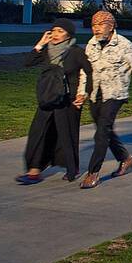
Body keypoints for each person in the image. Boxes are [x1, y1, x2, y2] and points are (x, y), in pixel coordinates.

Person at [81, 11, 132, 189]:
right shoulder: (91, 44)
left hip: (115, 93)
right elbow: (85, 70)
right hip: (96, 93)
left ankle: (93, 173)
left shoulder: (125, 45)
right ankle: (126, 159)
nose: (96, 29)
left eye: (101, 25)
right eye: (93, 25)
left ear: (111, 26)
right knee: (104, 130)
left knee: (102, 132)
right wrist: (81, 91)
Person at [17, 18, 90, 185]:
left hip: (67, 100)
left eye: (60, 31)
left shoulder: (76, 52)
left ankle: (72, 168)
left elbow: (88, 72)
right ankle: (34, 170)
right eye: (54, 31)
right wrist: (40, 43)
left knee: (66, 135)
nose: (56, 34)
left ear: (68, 34)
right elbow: (27, 62)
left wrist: (83, 94)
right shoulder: (47, 51)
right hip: (48, 98)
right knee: (38, 132)